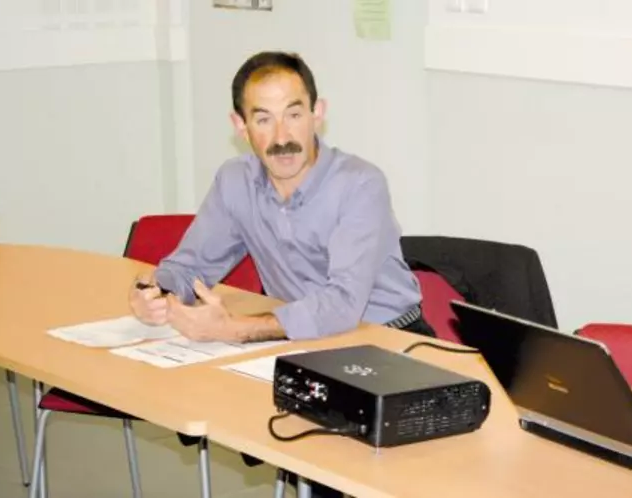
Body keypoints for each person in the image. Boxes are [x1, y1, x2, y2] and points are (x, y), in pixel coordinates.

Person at [128, 50, 435, 497]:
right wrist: (152, 291)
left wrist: (234, 329)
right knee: (232, 414)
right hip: (307, 343)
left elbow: (341, 304)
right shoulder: (235, 181)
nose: (283, 136)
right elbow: (190, 264)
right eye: (264, 119)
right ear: (240, 126)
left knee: (344, 475)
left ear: (318, 114)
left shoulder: (360, 184)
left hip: (390, 344)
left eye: (294, 114)